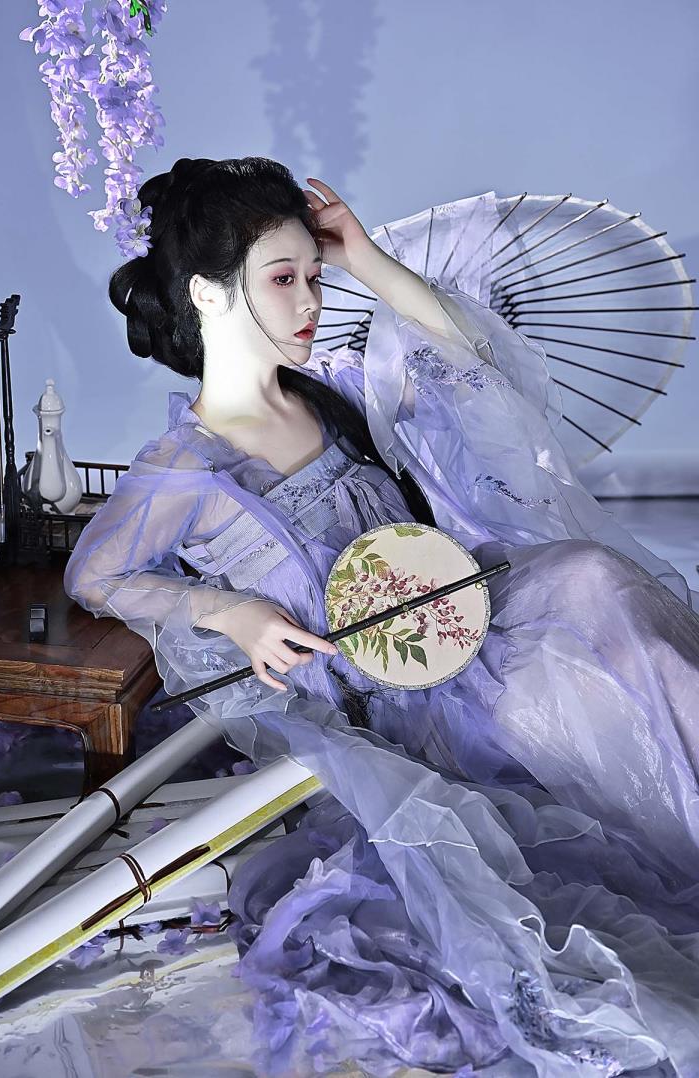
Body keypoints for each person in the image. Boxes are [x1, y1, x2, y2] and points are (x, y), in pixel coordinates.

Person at [65, 156, 699, 1075]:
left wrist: (363, 256)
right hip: (401, 702)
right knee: (579, 686)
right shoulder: (190, 467)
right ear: (207, 293)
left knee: (592, 581)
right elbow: (98, 573)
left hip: (468, 626)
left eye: (313, 277)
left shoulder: (333, 392)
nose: (308, 302)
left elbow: (474, 361)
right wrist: (228, 610)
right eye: (282, 279)